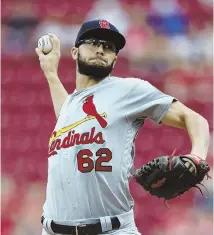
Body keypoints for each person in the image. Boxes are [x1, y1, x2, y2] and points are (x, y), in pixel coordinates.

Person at [35, 19, 210, 235]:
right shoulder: (73, 104)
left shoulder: (127, 90)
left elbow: (195, 119)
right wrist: (51, 74)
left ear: (115, 59)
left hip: (111, 230)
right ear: (74, 51)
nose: (100, 49)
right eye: (93, 42)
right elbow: (67, 117)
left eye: (109, 47)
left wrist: (197, 157)